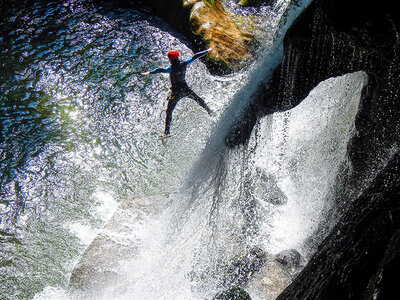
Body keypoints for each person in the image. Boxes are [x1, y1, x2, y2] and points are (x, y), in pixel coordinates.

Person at [141, 47, 214, 138]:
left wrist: (149, 72)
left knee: (169, 111)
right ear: (177, 57)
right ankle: (210, 111)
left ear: (170, 59)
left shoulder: (170, 69)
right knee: (198, 99)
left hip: (176, 93)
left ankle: (166, 132)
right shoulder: (184, 63)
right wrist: (207, 50)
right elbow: (195, 56)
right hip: (185, 89)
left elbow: (160, 70)